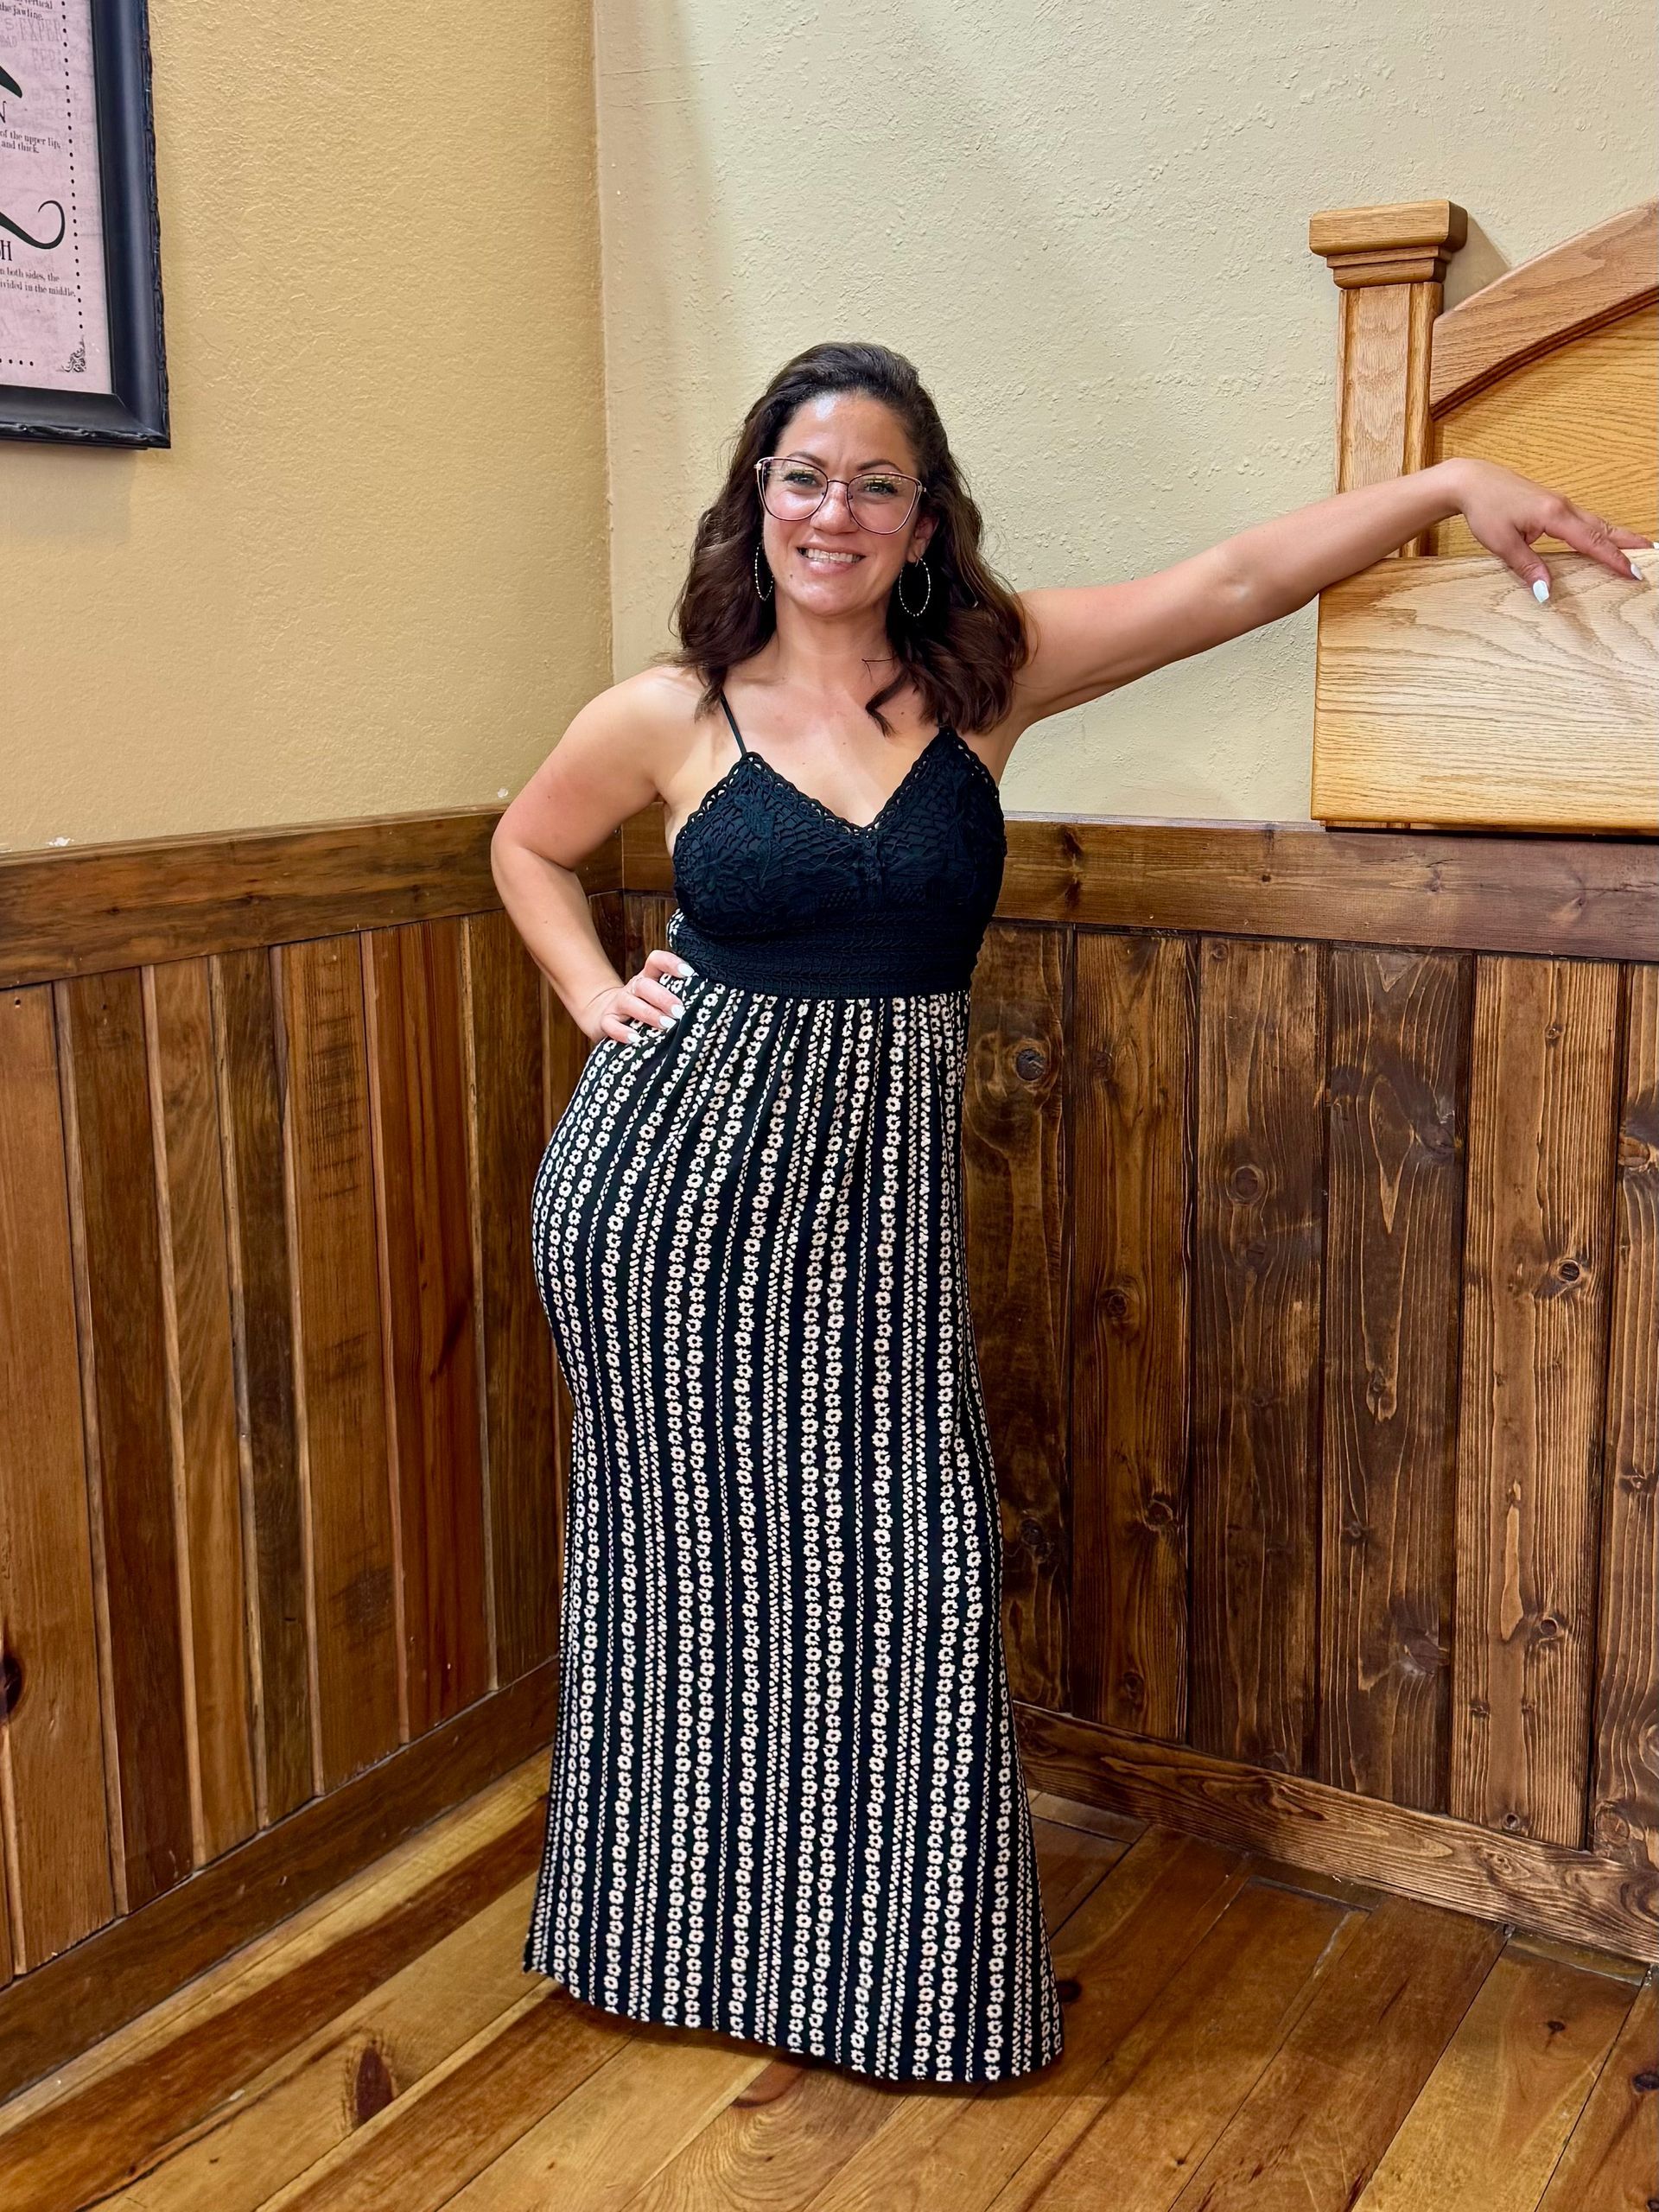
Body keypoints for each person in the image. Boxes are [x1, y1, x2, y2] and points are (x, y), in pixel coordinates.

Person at [491, 340, 1649, 2086]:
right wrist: (591, 995)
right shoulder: (672, 708)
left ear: (926, 518)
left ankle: (886, 1980)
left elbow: (1234, 581)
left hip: (865, 1220)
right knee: (682, 1578)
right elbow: (524, 844)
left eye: (877, 482)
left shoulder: (986, 679)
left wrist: (1443, 487)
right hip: (665, 1205)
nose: (836, 511)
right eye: (805, 476)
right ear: (757, 496)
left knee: (904, 1573)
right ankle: (658, 1934)